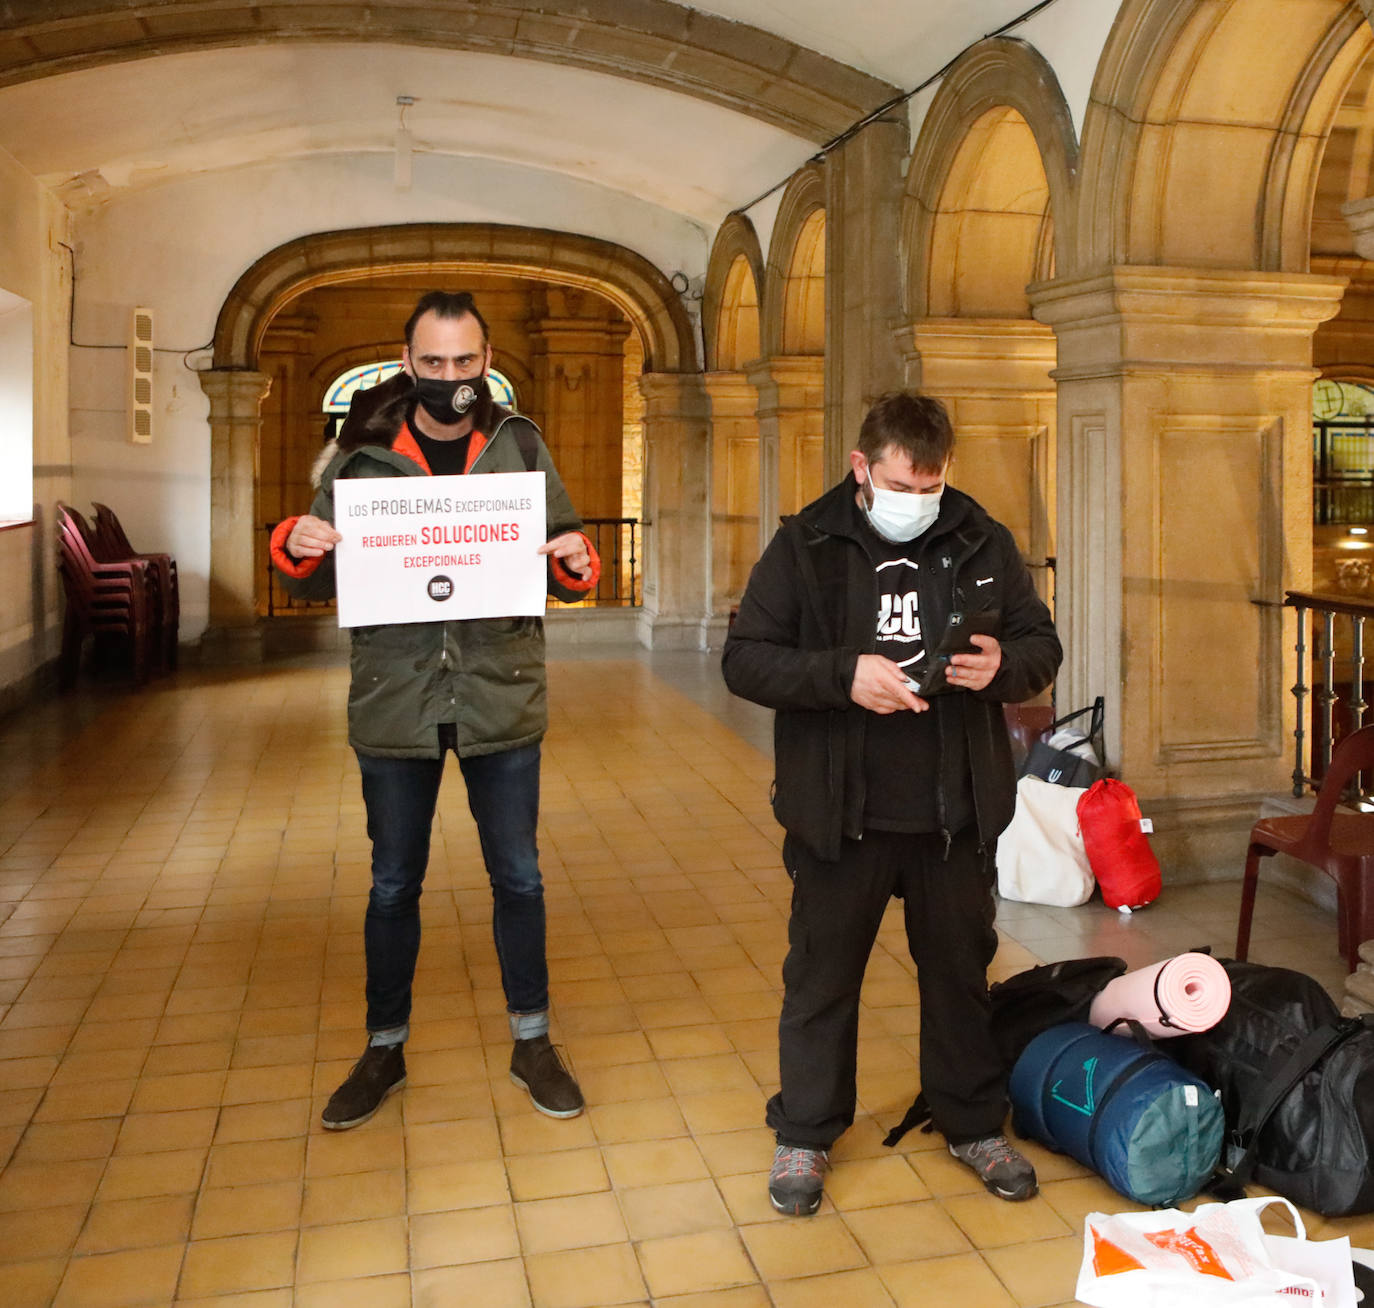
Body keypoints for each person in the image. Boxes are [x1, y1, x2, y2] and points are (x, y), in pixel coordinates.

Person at [721, 391, 1062, 1215]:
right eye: (902, 485)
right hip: (842, 814)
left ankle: (973, 1121)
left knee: (959, 976)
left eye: (931, 485)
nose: (918, 501)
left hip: (955, 813)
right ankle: (804, 1133)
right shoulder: (806, 545)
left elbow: (1039, 643)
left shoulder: (981, 536)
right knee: (821, 979)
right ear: (860, 469)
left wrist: (1003, 669)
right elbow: (746, 660)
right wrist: (841, 675)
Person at [271, 290, 599, 1130]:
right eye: (434, 363)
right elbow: (303, 564)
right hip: (397, 701)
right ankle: (384, 1048)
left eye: (465, 362)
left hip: (499, 695)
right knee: (391, 885)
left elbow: (570, 550)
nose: (450, 377)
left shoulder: (520, 446)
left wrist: (572, 557)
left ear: (485, 363)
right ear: (407, 363)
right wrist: (295, 545)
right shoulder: (362, 458)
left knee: (518, 877)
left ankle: (533, 1041)